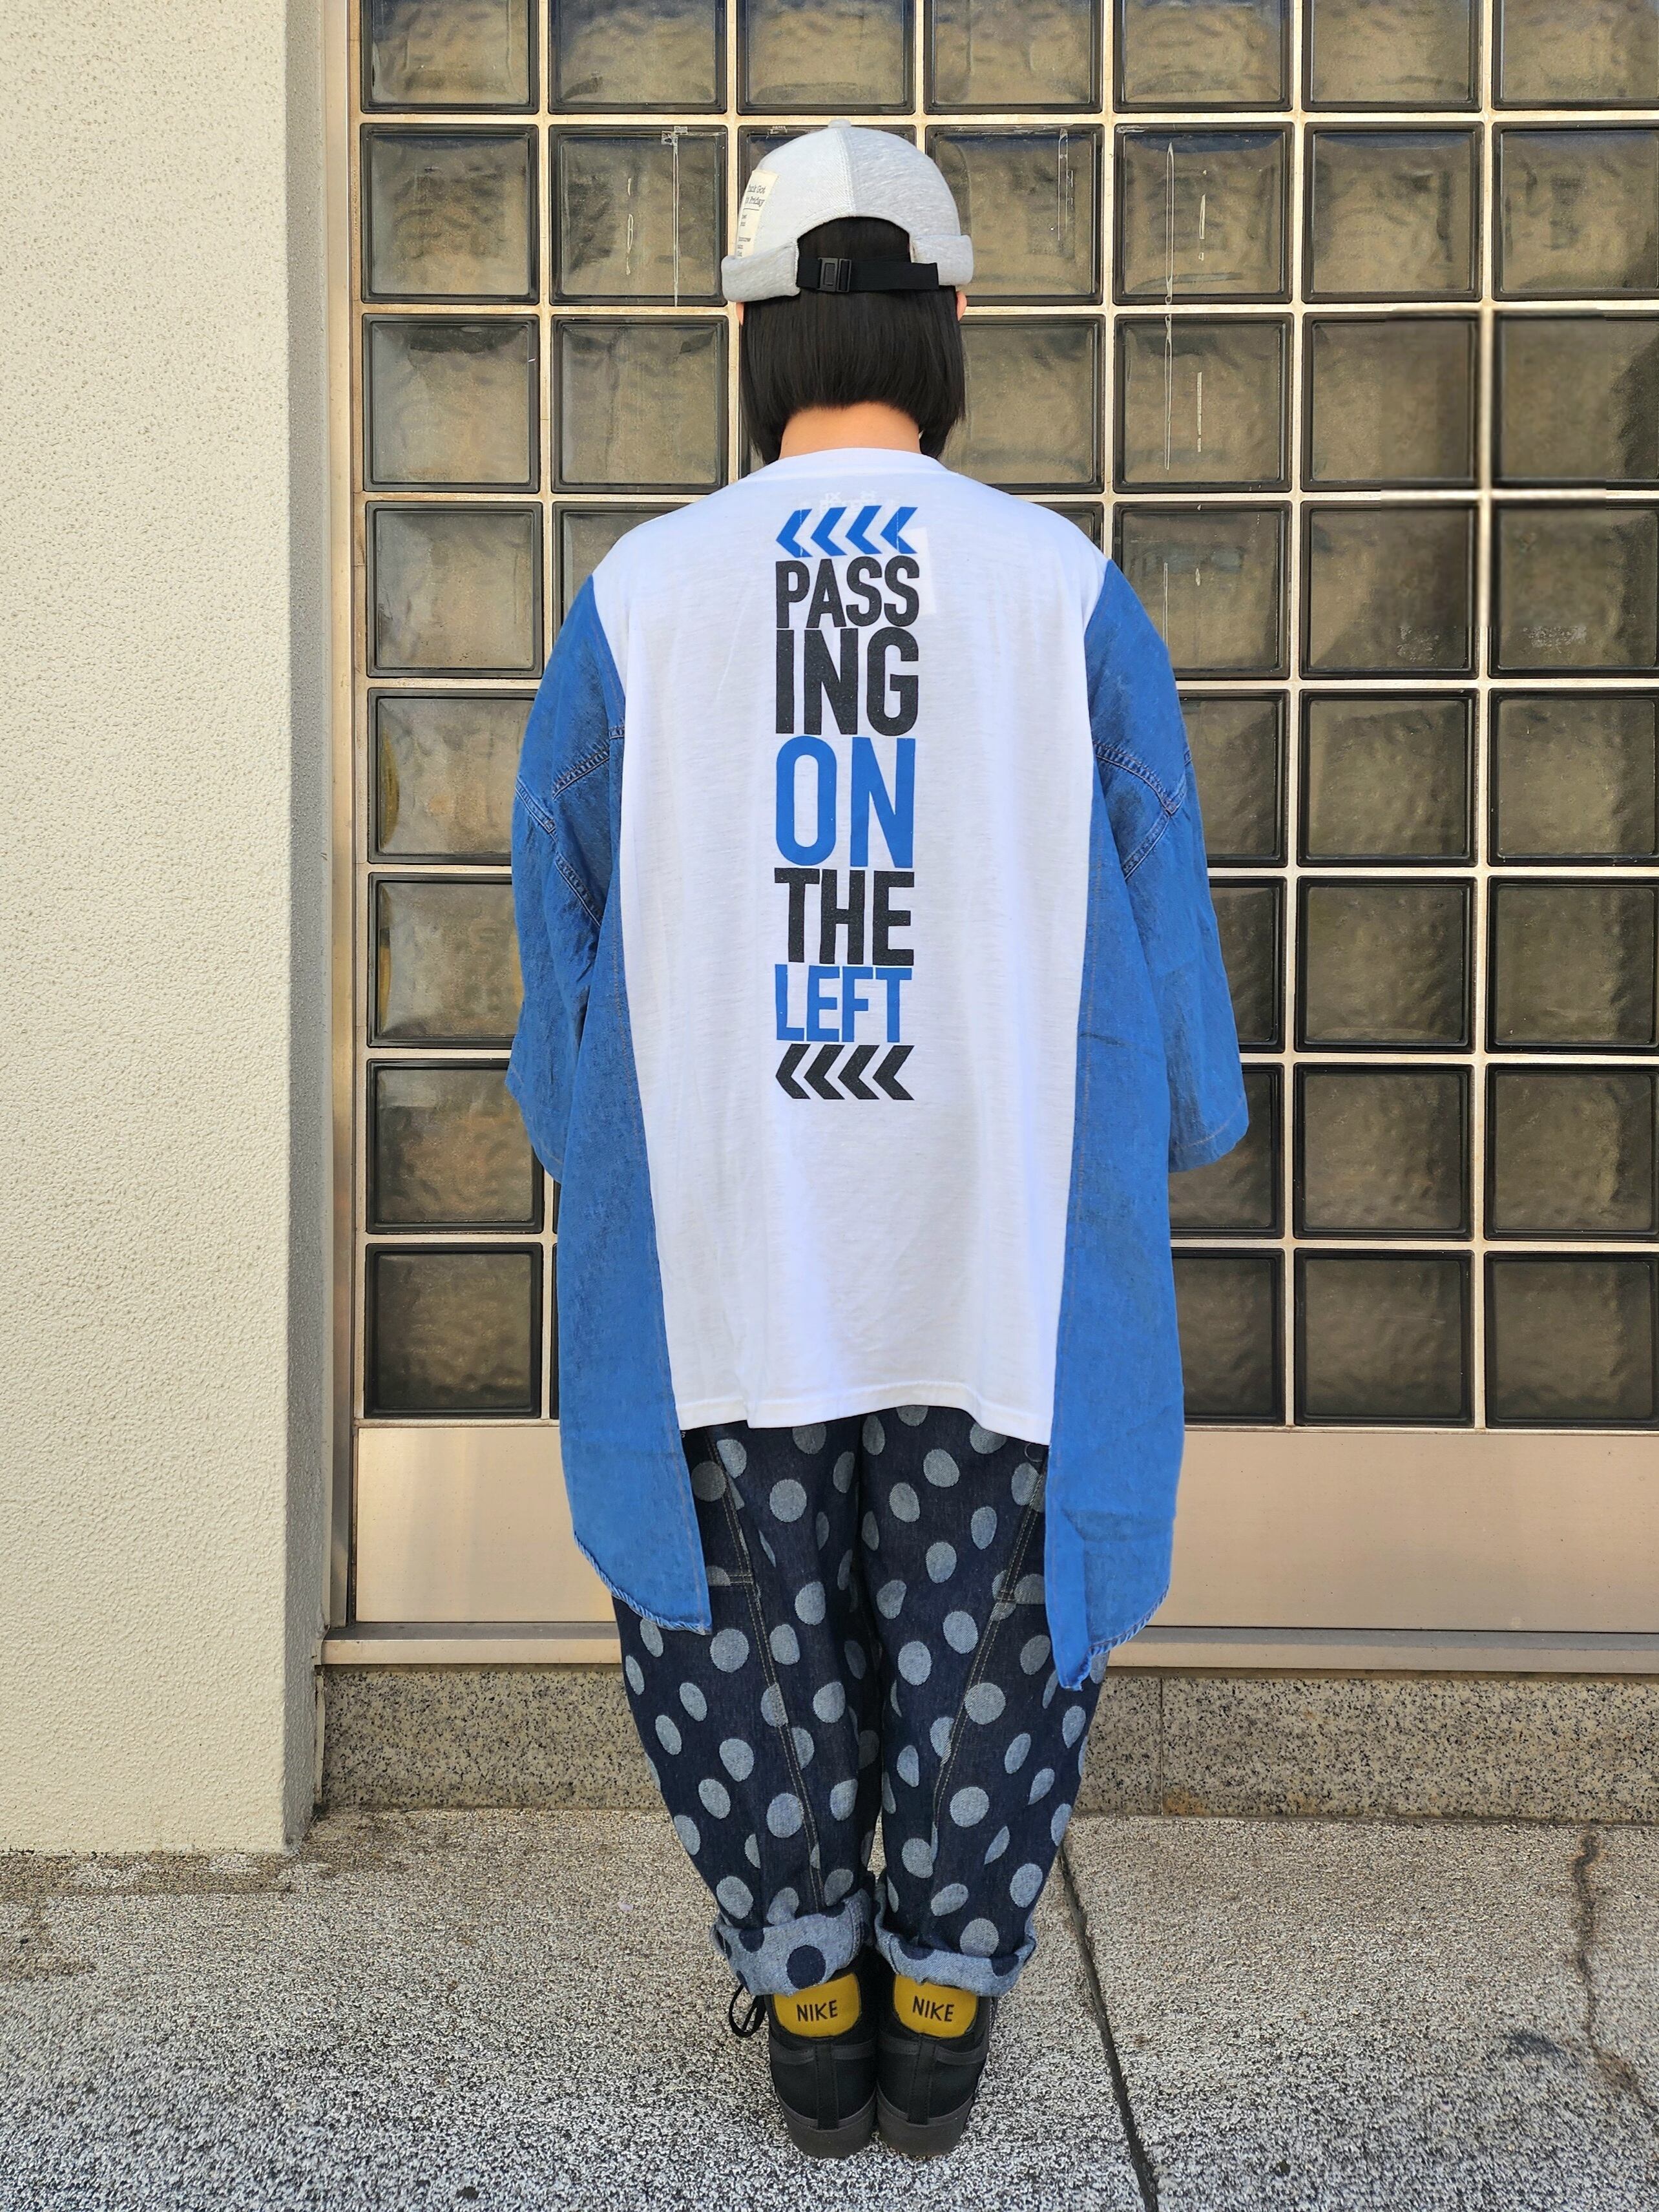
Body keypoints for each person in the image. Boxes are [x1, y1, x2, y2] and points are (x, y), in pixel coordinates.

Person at [508, 121, 1245, 2162]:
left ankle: (808, 1991)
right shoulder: (1061, 589)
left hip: (727, 1236)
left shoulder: (642, 596)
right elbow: (1155, 867)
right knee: (985, 1622)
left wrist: (587, 1129)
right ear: (955, 322)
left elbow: (562, 892)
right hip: (992, 1237)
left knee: (739, 1620)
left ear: (749, 334)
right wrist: (1183, 1104)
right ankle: (941, 2005)